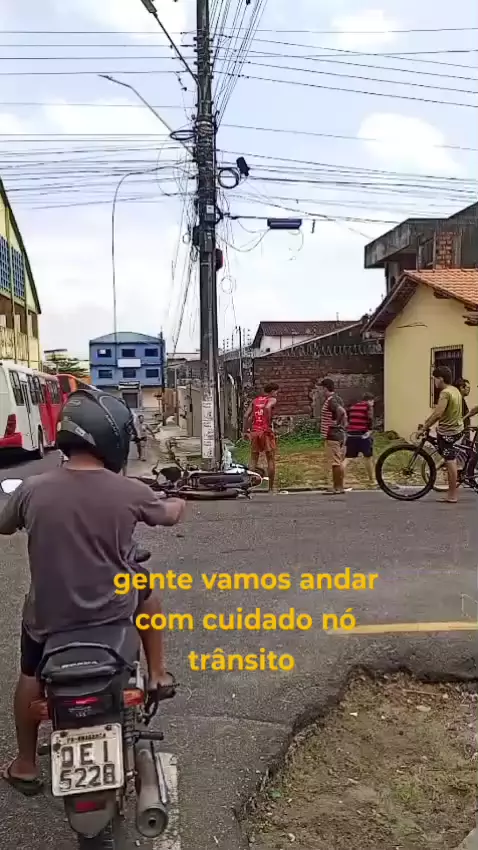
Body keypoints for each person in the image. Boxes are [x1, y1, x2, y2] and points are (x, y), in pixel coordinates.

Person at [0, 388, 185, 796]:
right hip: (111, 613)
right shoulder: (127, 490)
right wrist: (176, 498)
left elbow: (3, 523)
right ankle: (157, 674)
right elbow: (169, 515)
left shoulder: (32, 488)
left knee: (30, 675)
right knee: (145, 588)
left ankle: (26, 764)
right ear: (112, 436)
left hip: (49, 619)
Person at [417, 366, 464, 503]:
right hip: (456, 429)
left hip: (448, 432)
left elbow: (438, 413)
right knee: (448, 457)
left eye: (435, 379)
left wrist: (424, 428)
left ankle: (452, 495)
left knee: (450, 461)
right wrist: (428, 422)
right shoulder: (455, 390)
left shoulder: (445, 393)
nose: (434, 382)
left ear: (441, 379)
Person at [244, 383, 278, 493]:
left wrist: (246, 431)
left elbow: (246, 416)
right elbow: (267, 408)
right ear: (272, 391)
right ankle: (271, 488)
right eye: (276, 392)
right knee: (270, 459)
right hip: (265, 432)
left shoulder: (255, 401)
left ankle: (249, 486)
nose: (277, 394)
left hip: (255, 431)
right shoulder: (272, 400)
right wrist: (267, 422)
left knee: (254, 459)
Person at [320, 378, 348, 494]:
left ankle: (338, 487)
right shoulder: (338, 398)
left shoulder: (331, 400)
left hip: (332, 434)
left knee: (335, 462)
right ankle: (337, 486)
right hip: (338, 434)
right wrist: (342, 425)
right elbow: (343, 414)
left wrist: (337, 424)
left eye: (322, 389)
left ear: (325, 388)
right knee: (338, 460)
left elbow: (341, 411)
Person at [344, 392, 375, 486]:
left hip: (351, 435)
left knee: (348, 458)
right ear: (370, 400)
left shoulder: (353, 407)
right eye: (372, 401)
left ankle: (339, 478)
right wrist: (370, 430)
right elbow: (370, 419)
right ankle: (372, 480)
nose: (373, 404)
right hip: (363, 435)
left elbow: (348, 419)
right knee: (368, 457)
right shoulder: (368, 407)